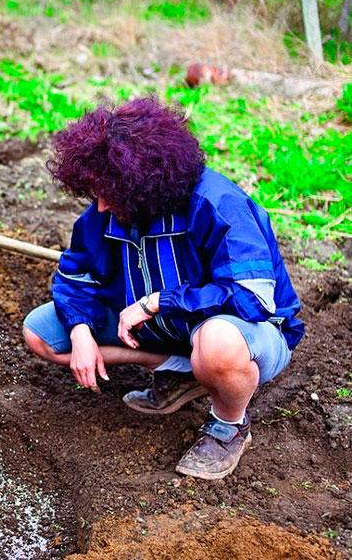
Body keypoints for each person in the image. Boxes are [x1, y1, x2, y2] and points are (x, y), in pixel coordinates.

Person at [22, 98, 304, 480]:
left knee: (218, 343)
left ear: (142, 182)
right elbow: (74, 275)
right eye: (95, 193)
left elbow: (251, 297)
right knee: (42, 333)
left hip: (248, 336)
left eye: (109, 193)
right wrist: (81, 330)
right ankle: (181, 373)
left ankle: (228, 426)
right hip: (169, 334)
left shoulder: (217, 204)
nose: (101, 206)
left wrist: (160, 302)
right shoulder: (108, 213)